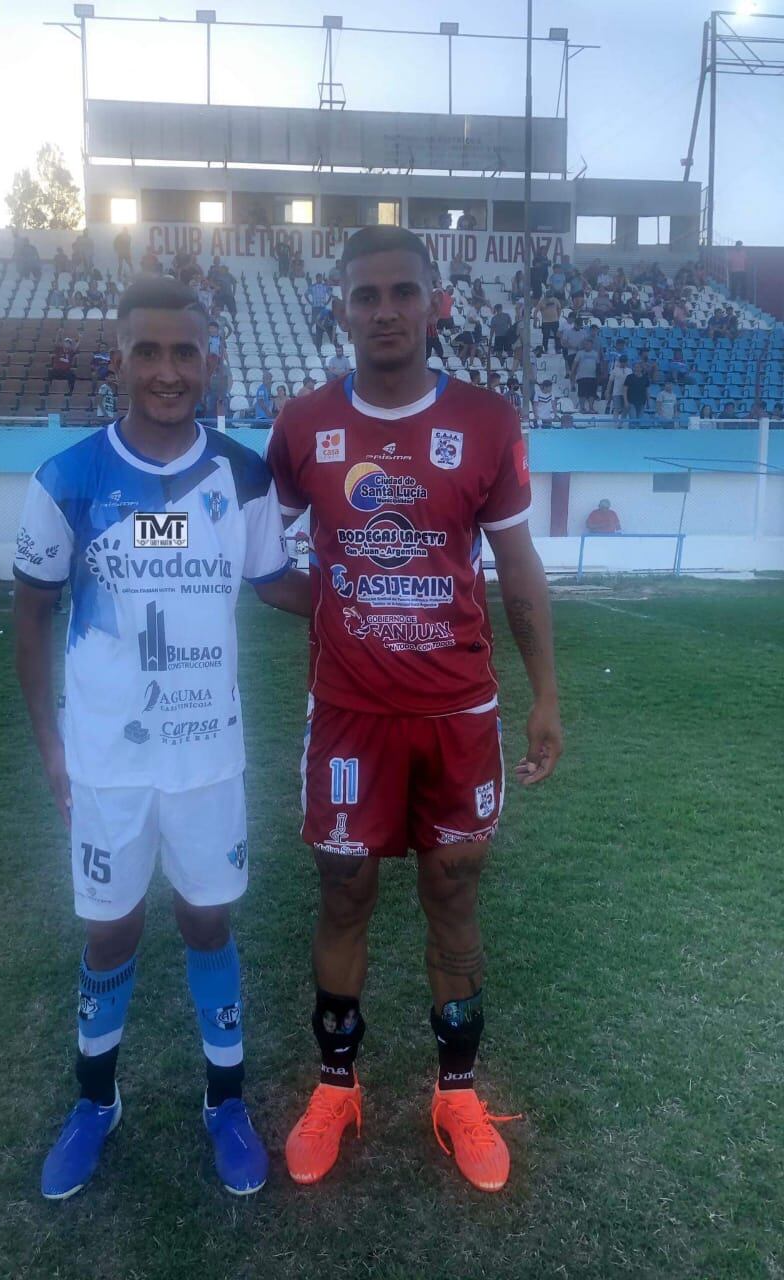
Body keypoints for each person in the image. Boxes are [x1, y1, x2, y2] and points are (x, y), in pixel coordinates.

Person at [266, 225, 562, 1194]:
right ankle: (336, 1086)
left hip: (458, 712)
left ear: (437, 304)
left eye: (404, 291)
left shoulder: (485, 419)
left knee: (454, 891)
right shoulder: (302, 424)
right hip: (348, 713)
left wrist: (545, 697)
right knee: (344, 892)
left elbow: (517, 567)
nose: (385, 309)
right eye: (366, 294)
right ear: (340, 307)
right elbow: (265, 560)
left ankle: (458, 1092)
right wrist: (344, 603)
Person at [13, 275, 310, 1203]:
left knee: (207, 919)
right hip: (106, 760)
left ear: (210, 359)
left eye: (185, 352)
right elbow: (29, 618)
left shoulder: (243, 474)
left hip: (206, 757)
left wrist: (372, 589)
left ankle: (225, 1101)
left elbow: (274, 583)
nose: (168, 371)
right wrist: (52, 749)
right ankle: (94, 1101)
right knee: (109, 933)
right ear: (121, 359)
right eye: (149, 351)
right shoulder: (66, 480)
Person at [570, 340, 600, 413]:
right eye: (586, 344)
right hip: (582, 376)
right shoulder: (580, 353)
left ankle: (591, 408)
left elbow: (598, 365)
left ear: (592, 345)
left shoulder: (595, 354)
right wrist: (572, 373)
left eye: (589, 344)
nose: (587, 346)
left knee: (592, 393)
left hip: (593, 377)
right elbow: (575, 364)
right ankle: (582, 408)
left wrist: (598, 377)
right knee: (582, 393)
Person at [605, 356, 632, 423]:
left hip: (626, 393)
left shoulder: (629, 370)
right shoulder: (615, 370)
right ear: (619, 362)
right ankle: (615, 422)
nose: (623, 363)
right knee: (616, 408)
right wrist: (608, 392)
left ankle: (621, 422)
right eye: (622, 361)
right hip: (616, 392)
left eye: (624, 361)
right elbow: (610, 382)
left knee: (625, 408)